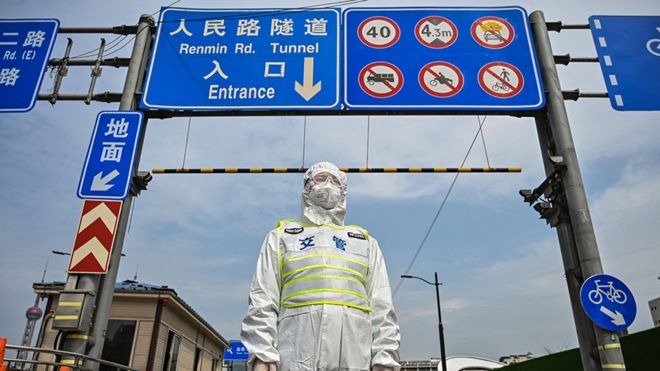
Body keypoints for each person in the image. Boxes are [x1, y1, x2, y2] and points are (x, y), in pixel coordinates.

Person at [241, 161, 400, 371]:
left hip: (354, 355)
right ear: (307, 187)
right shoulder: (281, 237)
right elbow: (262, 298)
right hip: (295, 353)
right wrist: (262, 353)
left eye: (336, 181)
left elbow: (382, 306)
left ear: (344, 191)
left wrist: (384, 359)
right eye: (321, 178)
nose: (328, 185)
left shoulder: (364, 242)